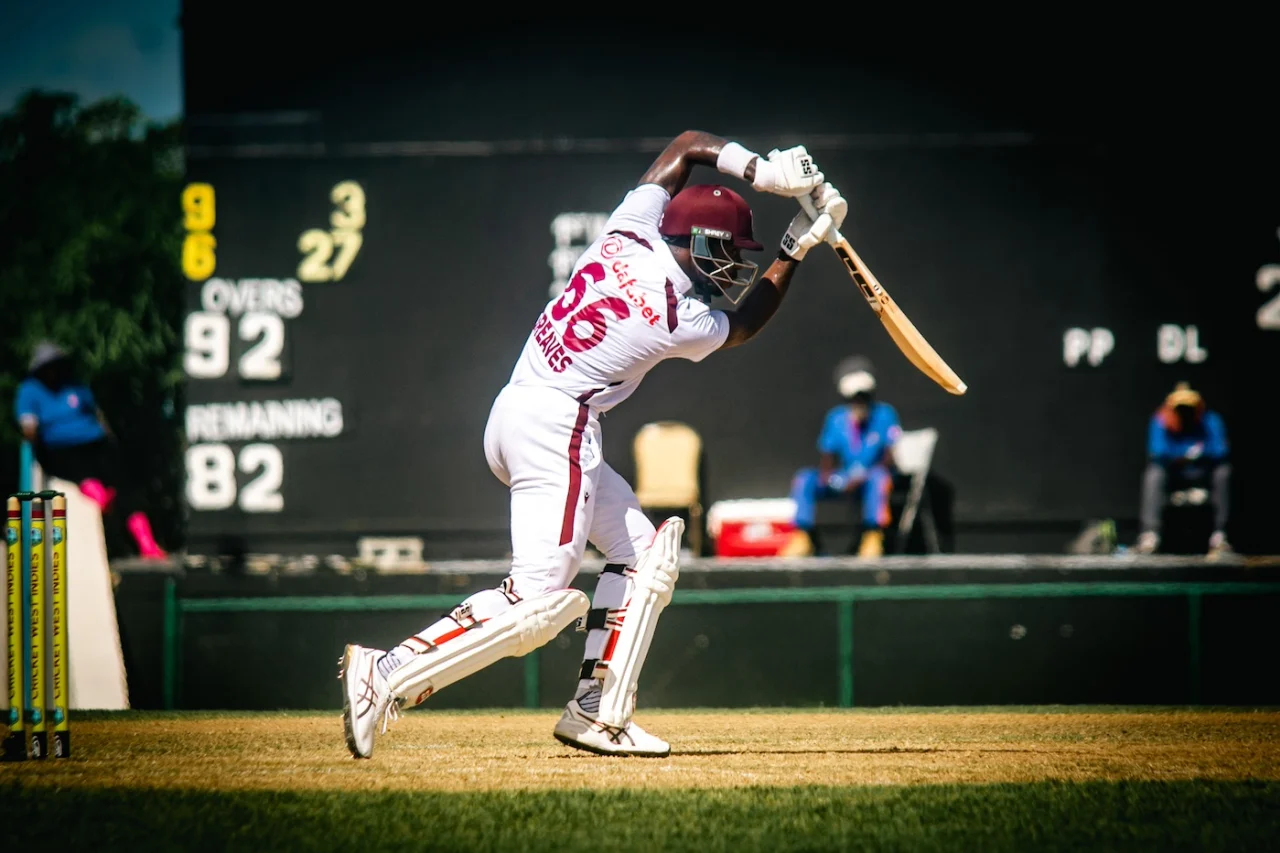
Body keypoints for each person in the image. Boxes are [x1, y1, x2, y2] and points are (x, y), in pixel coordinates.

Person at [339, 130, 846, 758]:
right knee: (536, 601)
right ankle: (384, 673)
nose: (736, 263)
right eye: (731, 248)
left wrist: (760, 173)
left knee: (643, 555)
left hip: (515, 406)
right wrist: (796, 246)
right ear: (701, 242)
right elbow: (742, 325)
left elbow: (686, 145)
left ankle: (596, 712)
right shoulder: (674, 315)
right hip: (559, 426)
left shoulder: (627, 231)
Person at [14, 341, 168, 559]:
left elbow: (97, 415)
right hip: (59, 447)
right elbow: (28, 427)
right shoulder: (29, 391)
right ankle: (99, 495)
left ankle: (147, 543)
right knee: (77, 469)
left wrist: (109, 438)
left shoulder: (75, 386)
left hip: (94, 442)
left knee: (125, 484)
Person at [781, 356, 902, 558]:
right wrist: (830, 477)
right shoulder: (836, 418)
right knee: (805, 478)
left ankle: (872, 536)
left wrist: (862, 476)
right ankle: (802, 536)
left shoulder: (885, 414)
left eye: (863, 396)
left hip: (870, 477)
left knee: (879, 478)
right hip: (844, 477)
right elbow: (827, 457)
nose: (859, 402)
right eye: (854, 397)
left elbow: (889, 457)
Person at [1135, 382, 1231, 557]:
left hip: (1202, 472)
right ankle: (1150, 534)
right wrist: (1187, 455)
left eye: (1189, 408)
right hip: (1174, 474)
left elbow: (1220, 451)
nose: (1184, 412)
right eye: (1180, 408)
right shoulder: (1162, 420)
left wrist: (1190, 457)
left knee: (1223, 473)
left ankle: (1220, 534)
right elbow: (1158, 452)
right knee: (1154, 474)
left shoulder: (1210, 420)